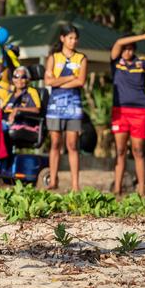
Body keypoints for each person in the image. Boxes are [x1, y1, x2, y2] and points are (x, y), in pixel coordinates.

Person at [110, 30, 145, 197]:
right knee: (120, 151)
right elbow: (119, 42)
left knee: (138, 150)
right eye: (125, 49)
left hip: (140, 112)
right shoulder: (115, 62)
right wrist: (144, 36)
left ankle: (141, 188)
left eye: (131, 49)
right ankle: (117, 189)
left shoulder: (141, 63)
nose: (127, 51)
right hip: (120, 111)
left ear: (134, 50)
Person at [44, 24, 87, 192]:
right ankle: (53, 180)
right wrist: (71, 77)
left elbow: (81, 81)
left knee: (72, 144)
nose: (73, 41)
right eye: (70, 38)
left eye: (75, 38)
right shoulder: (53, 58)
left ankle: (75, 185)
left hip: (74, 106)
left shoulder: (81, 58)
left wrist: (59, 80)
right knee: (55, 143)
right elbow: (49, 82)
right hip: (55, 106)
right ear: (62, 38)